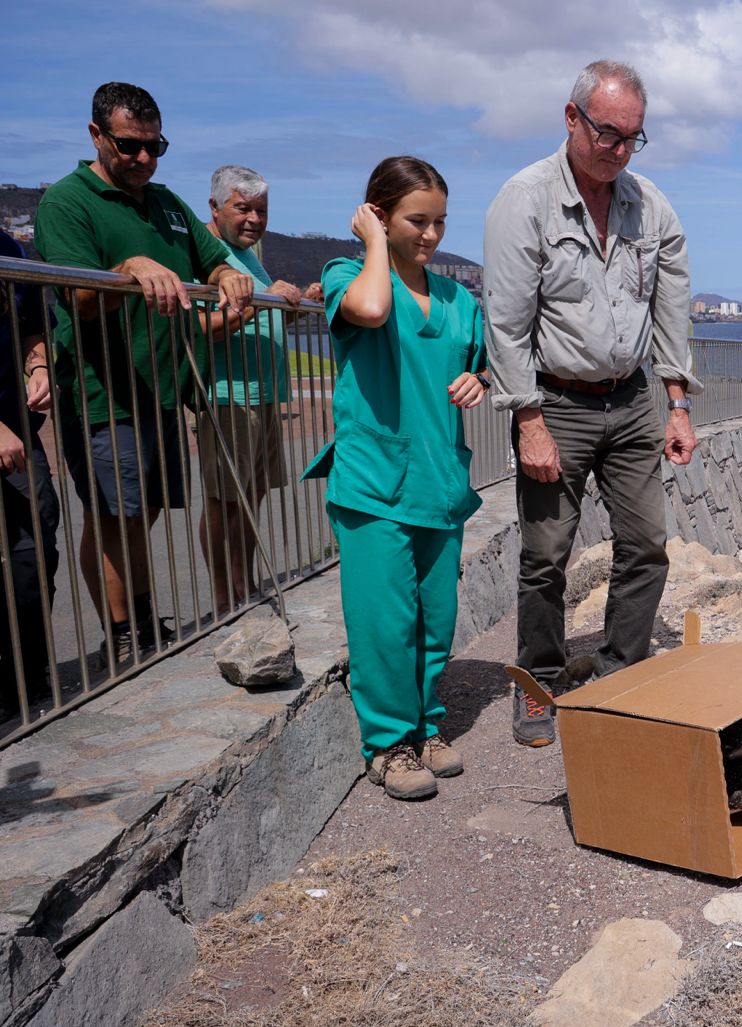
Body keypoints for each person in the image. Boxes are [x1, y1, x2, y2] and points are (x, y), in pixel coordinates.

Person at [484, 59, 701, 748]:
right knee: (547, 554)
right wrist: (528, 420)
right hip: (557, 402)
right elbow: (508, 324)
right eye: (609, 133)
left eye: (634, 137)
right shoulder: (523, 201)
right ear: (572, 118)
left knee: (647, 545)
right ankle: (540, 685)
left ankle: (618, 673)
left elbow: (672, 308)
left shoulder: (651, 206)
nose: (620, 150)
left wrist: (677, 401)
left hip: (634, 398)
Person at [33, 82, 251, 669]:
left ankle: (143, 612)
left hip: (161, 389)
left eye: (156, 147)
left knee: (145, 510)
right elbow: (75, 294)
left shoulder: (169, 204)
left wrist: (229, 275)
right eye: (130, 147)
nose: (144, 160)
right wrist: (127, 267)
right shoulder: (66, 202)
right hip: (105, 394)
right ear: (96, 135)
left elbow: (213, 257)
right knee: (113, 514)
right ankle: (124, 630)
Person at [302, 156, 489, 801]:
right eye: (417, 221)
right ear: (379, 214)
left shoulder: (460, 299)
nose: (432, 235)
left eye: (440, 222)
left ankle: (425, 726)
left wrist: (479, 380)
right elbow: (374, 310)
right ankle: (388, 745)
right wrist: (374, 243)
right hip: (374, 482)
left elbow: (479, 365)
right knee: (384, 621)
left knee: (435, 621)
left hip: (438, 481)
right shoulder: (346, 275)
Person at [196, 164, 321, 613]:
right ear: (215, 207)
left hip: (264, 392)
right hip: (230, 394)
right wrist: (258, 305)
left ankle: (245, 585)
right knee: (224, 500)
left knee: (251, 496)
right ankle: (225, 597)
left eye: (261, 210)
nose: (253, 219)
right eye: (242, 208)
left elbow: (261, 312)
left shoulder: (250, 253)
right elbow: (198, 327)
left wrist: (297, 303)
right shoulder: (205, 251)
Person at [0, 231, 60, 716]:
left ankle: (27, 677)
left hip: (16, 425)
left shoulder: (11, 249)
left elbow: (32, 326)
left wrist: (39, 365)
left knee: (34, 541)